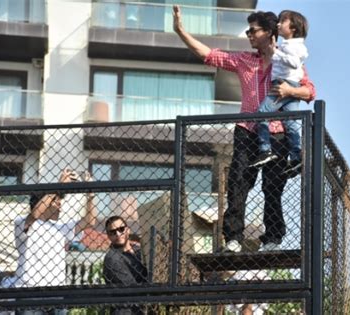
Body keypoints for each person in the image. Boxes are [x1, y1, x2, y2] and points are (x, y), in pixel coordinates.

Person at [173, 5, 315, 252]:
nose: (249, 35)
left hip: (278, 133)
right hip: (248, 130)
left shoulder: (287, 59)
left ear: (270, 32)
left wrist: (289, 91)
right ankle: (234, 238)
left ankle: (272, 237)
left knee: (272, 186)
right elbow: (209, 55)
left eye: (253, 30)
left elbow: (309, 91)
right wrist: (180, 31)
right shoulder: (243, 60)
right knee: (238, 181)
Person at [6, 169, 97, 288]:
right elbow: (34, 215)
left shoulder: (61, 228)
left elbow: (90, 221)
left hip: (56, 292)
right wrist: (58, 186)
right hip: (27, 289)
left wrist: (90, 192)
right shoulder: (22, 222)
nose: (60, 204)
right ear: (42, 202)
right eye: (55, 200)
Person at [252, 10, 309, 177]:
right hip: (291, 85)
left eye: (282, 22)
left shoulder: (293, 46)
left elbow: (293, 63)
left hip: (283, 85)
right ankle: (297, 157)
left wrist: (277, 54)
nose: (278, 24)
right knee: (290, 123)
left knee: (262, 113)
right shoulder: (292, 45)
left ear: (293, 28)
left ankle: (265, 149)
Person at [103, 216, 148, 315]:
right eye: (113, 232)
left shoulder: (140, 251)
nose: (118, 234)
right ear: (109, 236)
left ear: (127, 230)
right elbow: (132, 288)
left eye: (121, 229)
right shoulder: (112, 258)